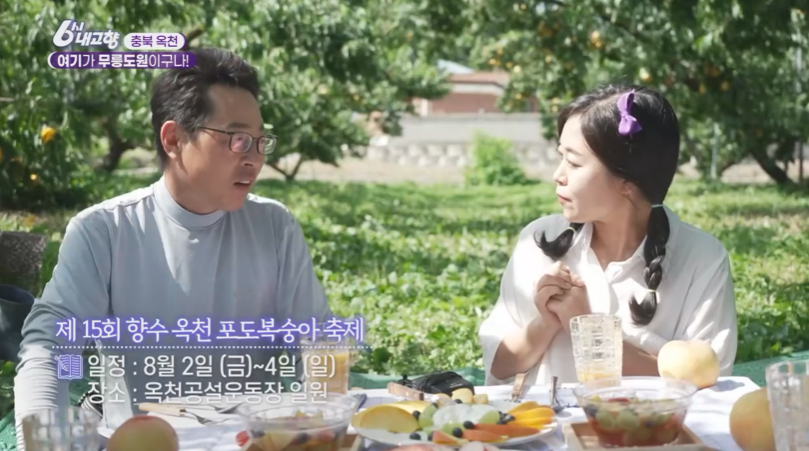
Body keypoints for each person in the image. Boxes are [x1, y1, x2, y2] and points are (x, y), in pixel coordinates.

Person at [14, 48, 336, 447]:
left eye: (259, 141)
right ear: (173, 139)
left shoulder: (274, 227)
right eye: (237, 139)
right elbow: (50, 348)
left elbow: (318, 343)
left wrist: (321, 420)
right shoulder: (105, 231)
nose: (254, 159)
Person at [479, 84, 738, 386]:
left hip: (651, 420)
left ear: (627, 181)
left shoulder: (702, 258)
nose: (558, 175)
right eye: (561, 157)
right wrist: (545, 323)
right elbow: (499, 365)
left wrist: (587, 328)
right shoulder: (538, 240)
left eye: (573, 162)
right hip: (544, 417)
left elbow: (707, 382)